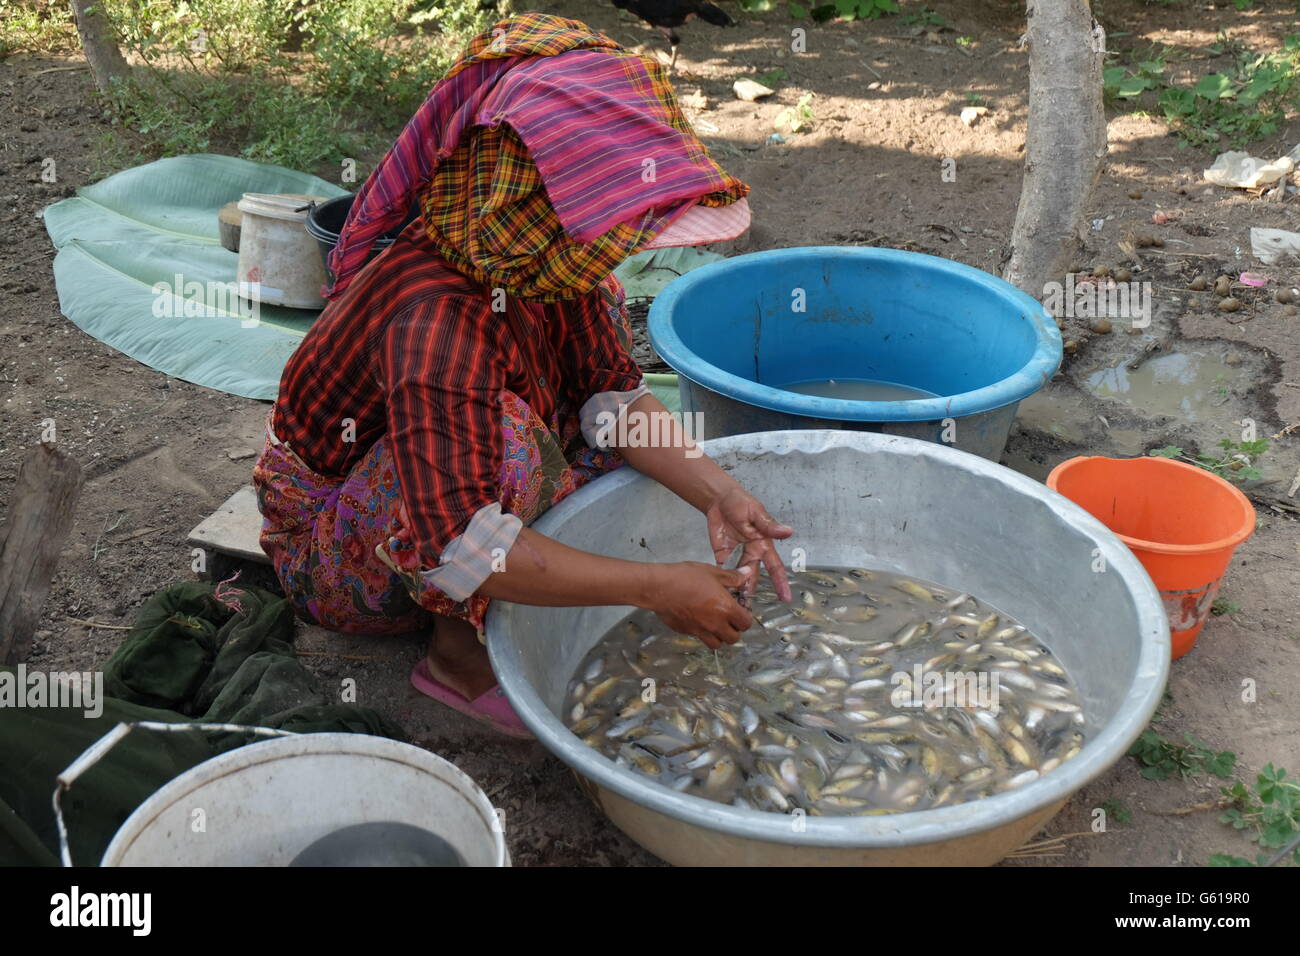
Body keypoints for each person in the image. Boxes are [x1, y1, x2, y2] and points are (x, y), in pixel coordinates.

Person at [254, 13, 793, 737]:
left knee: (591, 445)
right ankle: (459, 664)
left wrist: (719, 492)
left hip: (442, 472)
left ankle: (539, 585)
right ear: (535, 202)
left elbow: (612, 400)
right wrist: (657, 587)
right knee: (511, 444)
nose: (618, 249)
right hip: (335, 545)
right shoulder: (434, 322)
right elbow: (459, 543)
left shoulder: (547, 261)